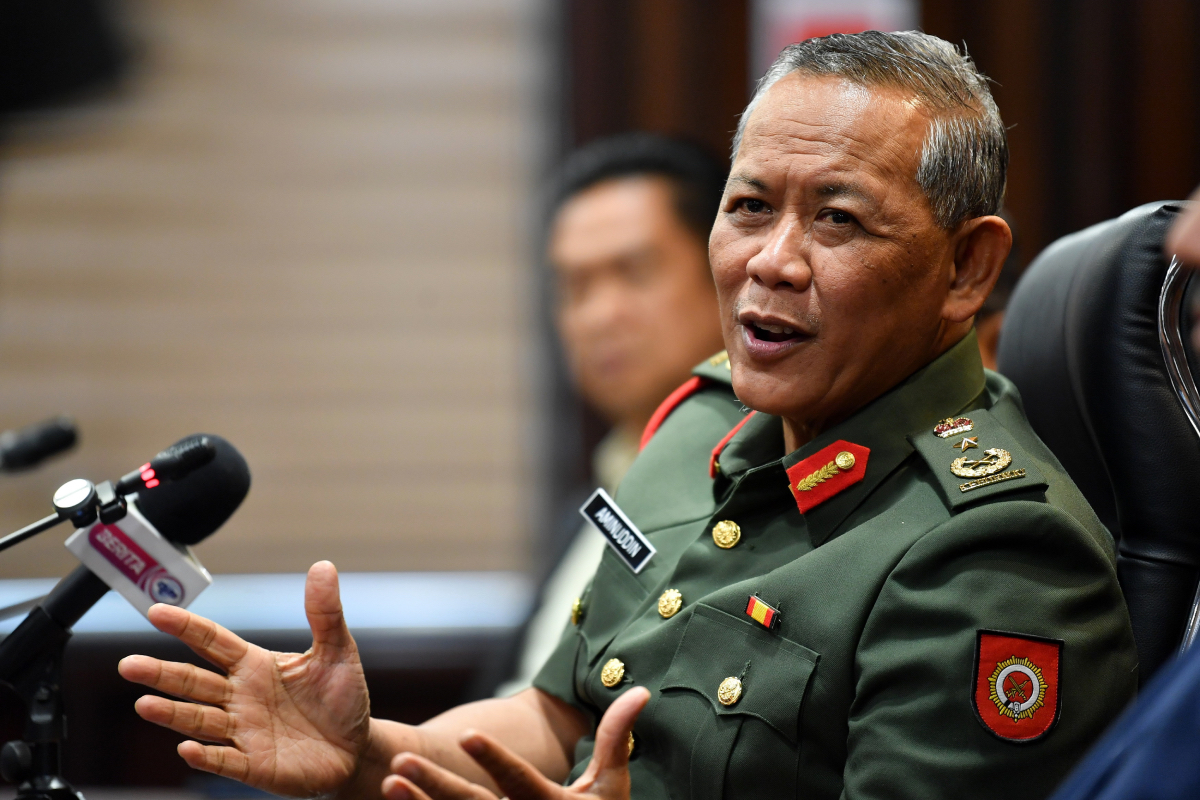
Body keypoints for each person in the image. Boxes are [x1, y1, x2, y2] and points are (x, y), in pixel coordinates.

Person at [116, 31, 1137, 800]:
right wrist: (366, 750)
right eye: (749, 207)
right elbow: (554, 713)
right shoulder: (699, 423)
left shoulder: (996, 550)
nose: (772, 261)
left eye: (837, 219)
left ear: (967, 270)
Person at [495, 134, 727, 698]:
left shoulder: (759, 495)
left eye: (634, 271)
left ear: (727, 270)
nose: (598, 315)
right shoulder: (597, 497)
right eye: (575, 287)